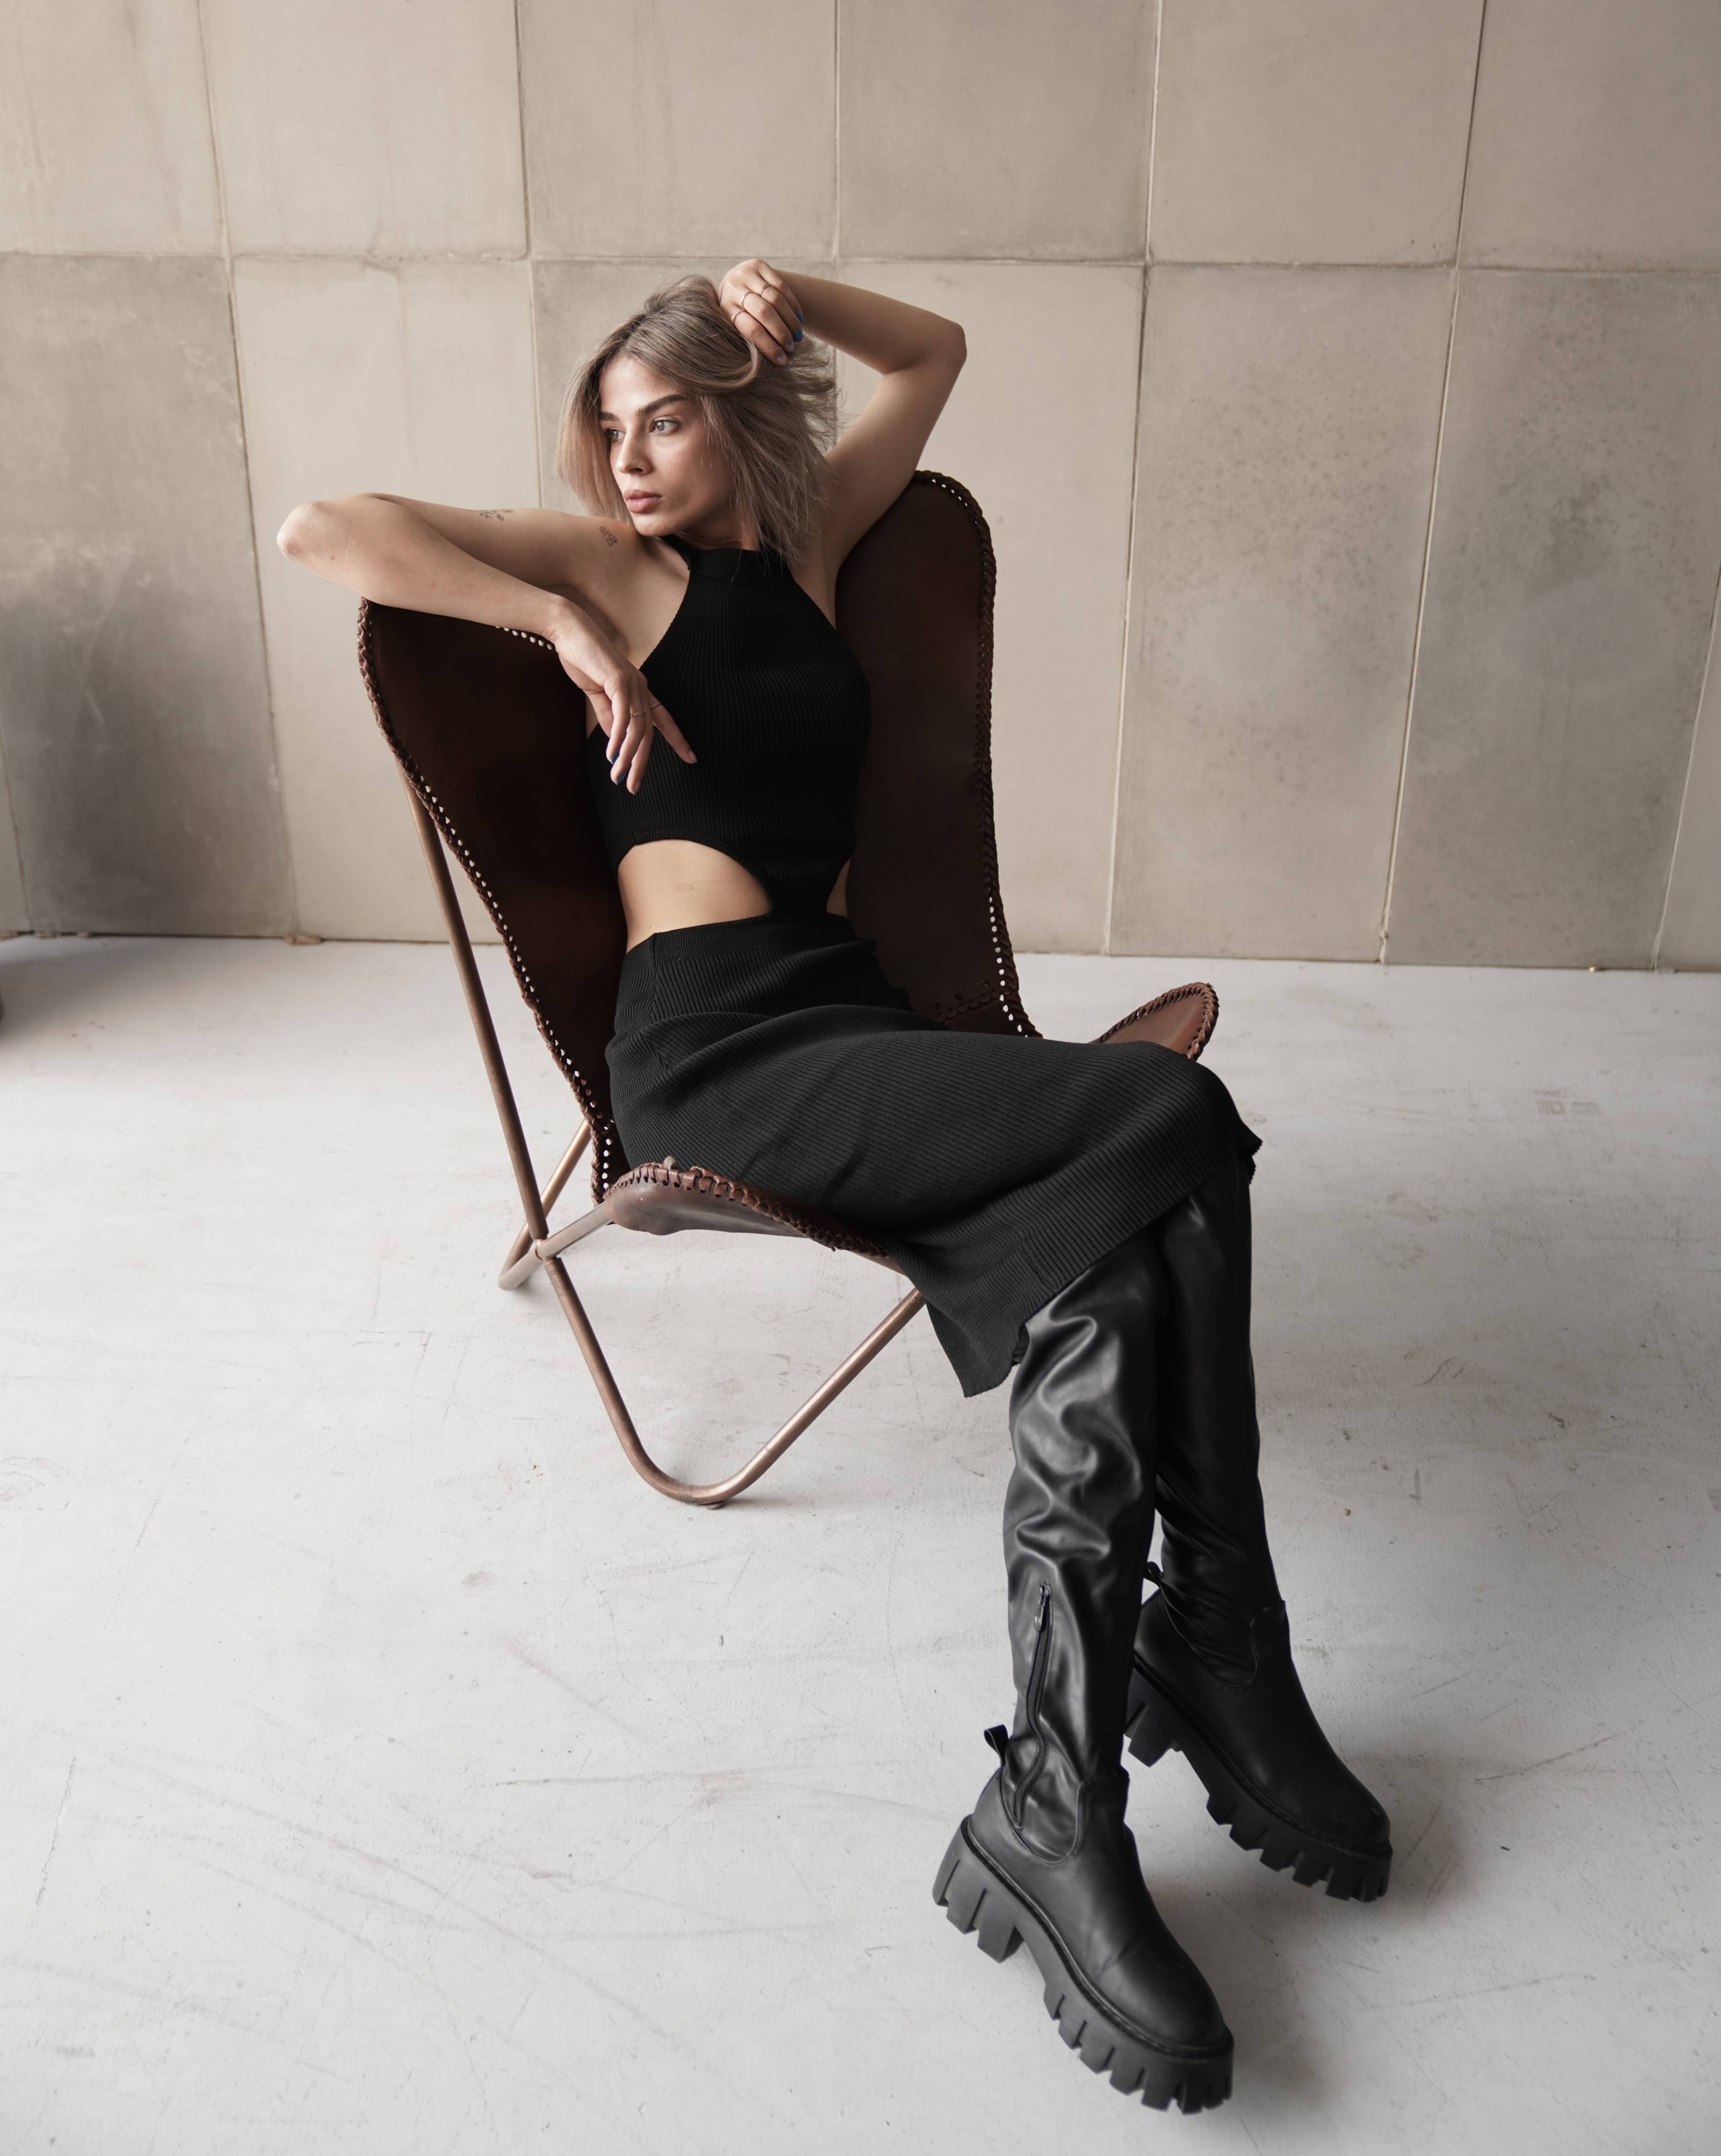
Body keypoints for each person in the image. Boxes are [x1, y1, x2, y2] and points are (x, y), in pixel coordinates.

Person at [279, 261, 1390, 2115]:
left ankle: (1060, 1793)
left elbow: (935, 353)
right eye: (612, 429)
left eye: (668, 417)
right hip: (721, 1054)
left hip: (855, 1017)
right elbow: (325, 528)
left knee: (1116, 1249)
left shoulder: (809, 549)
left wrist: (789, 290)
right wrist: (560, 620)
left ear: (739, 412)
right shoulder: (614, 569)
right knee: (1171, 1121)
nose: (634, 459)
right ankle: (1214, 1648)